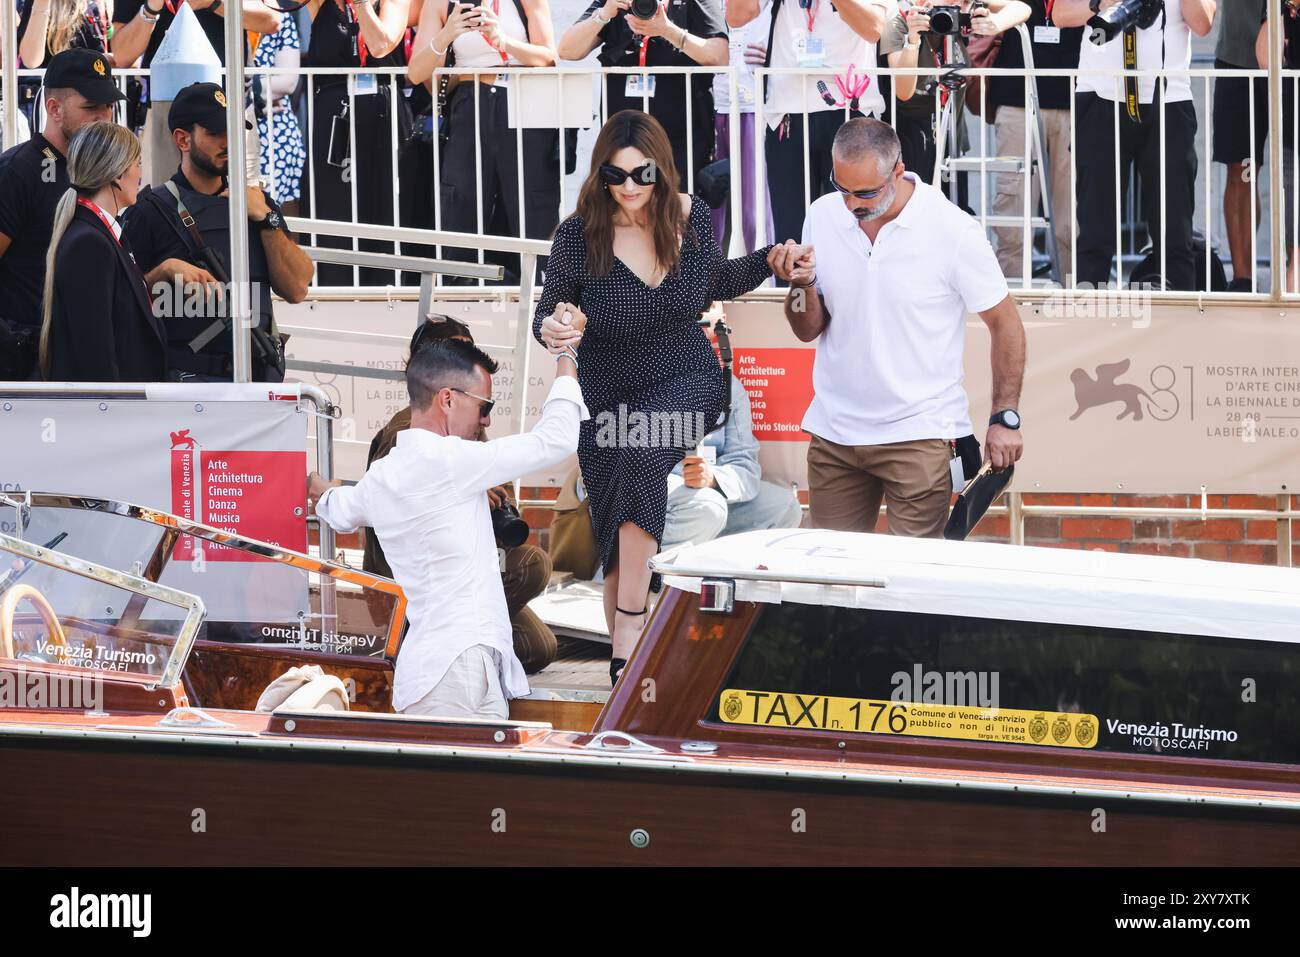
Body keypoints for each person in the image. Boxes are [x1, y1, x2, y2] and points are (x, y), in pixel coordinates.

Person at [533, 110, 806, 684]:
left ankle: (634, 620)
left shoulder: (690, 217)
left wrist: (770, 259)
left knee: (641, 453)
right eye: (616, 174)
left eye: (643, 174)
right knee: (613, 529)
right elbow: (549, 312)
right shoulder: (576, 234)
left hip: (684, 375)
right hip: (605, 391)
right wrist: (557, 326)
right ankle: (623, 670)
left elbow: (714, 281)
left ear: (663, 170)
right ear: (599, 173)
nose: (629, 187)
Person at [309, 338, 588, 719]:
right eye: (485, 406)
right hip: (458, 670)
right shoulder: (450, 461)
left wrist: (319, 489)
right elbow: (555, 439)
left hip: (437, 668)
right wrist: (565, 358)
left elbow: (339, 510)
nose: (487, 420)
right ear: (448, 399)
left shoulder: (384, 475)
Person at [786, 118, 1024, 536]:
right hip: (834, 434)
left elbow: (1005, 323)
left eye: (866, 192)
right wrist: (801, 284)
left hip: (919, 434)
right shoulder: (821, 216)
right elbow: (807, 329)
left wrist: (1004, 417)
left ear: (898, 170)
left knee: (908, 587)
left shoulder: (951, 229)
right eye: (842, 189)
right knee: (829, 585)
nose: (851, 204)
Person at [363, 315, 562, 674]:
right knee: (534, 565)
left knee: (538, 647)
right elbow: (391, 513)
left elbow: (508, 512)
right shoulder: (404, 433)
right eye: (455, 352)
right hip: (411, 581)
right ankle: (425, 641)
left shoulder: (468, 425)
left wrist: (492, 502)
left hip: (466, 565)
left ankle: (468, 643)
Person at [121, 82, 313, 382]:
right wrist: (162, 272)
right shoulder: (150, 210)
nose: (228, 142)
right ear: (183, 140)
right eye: (214, 133)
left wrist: (265, 218)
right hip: (186, 386)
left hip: (257, 380)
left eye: (233, 130)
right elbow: (119, 301)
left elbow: (298, 287)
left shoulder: (258, 204)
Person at [1055, 0, 1216, 291]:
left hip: (1169, 99)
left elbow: (1203, 24)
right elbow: (1060, 15)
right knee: (1094, 226)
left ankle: (1180, 319)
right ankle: (1087, 321)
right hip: (1100, 96)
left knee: (1174, 228)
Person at [407, 0, 561, 284]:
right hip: (470, 101)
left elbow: (549, 58)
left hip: (524, 101)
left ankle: (542, 297)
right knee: (461, 204)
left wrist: (503, 41)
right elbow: (417, 74)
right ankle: (457, 302)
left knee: (532, 209)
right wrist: (447, 34)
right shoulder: (441, 3)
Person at [727, 0, 895, 249]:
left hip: (851, 113)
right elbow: (737, 16)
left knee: (850, 228)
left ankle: (847, 288)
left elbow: (873, 28)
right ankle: (797, 287)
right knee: (791, 232)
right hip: (787, 114)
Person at [0, 49, 122, 379]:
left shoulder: (101, 170)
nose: (104, 116)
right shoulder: (18, 171)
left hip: (84, 355)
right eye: (91, 107)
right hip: (26, 366)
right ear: (53, 108)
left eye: (109, 106)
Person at [661, 307, 802, 545]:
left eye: (706, 310)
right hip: (654, 495)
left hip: (708, 495)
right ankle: (646, 576)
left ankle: (720, 573)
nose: (698, 316)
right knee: (707, 507)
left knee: (784, 507)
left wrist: (712, 478)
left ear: (720, 323)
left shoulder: (730, 388)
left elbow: (745, 466)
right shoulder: (642, 372)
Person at [39, 120, 166, 381]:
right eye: (137, 164)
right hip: (110, 412)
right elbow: (95, 351)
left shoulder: (100, 233)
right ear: (118, 175)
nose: (141, 174)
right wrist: (114, 412)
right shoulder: (89, 243)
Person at [558, 0, 728, 190]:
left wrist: (667, 30)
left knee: (677, 210)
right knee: (624, 213)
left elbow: (719, 56)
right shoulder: (616, 3)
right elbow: (567, 50)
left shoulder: (691, 3)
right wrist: (604, 14)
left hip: (681, 141)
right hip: (622, 140)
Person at [304, 0, 411, 287]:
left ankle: (385, 284)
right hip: (332, 112)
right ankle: (334, 283)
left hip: (380, 108)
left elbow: (380, 45)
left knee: (383, 200)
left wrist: (361, 4)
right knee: (332, 203)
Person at [982, 0, 1077, 285]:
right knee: (1012, 215)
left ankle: (1078, 305)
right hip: (1016, 99)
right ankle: (1010, 302)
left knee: (1073, 220)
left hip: (1077, 99)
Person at [709, 3, 773, 253]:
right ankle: (704, 281)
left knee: (754, 209)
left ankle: (764, 283)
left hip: (756, 112)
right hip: (712, 111)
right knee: (710, 206)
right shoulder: (709, 5)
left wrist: (776, 56)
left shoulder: (773, 7)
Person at [1215, 0, 1268, 291]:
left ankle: (1292, 268)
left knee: (1290, 170)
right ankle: (1242, 279)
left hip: (1291, 57)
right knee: (1243, 170)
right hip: (1237, 58)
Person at [1258, 1, 1300, 292]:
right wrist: (1281, 10)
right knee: (1296, 250)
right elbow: (1265, 58)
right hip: (1293, 133)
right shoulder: (1283, 6)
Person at [252, 13, 307, 212]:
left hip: (275, 130)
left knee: (274, 216)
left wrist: (246, 91)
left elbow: (288, 81)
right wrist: (260, 93)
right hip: (233, 129)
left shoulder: (281, 19)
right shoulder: (220, 15)